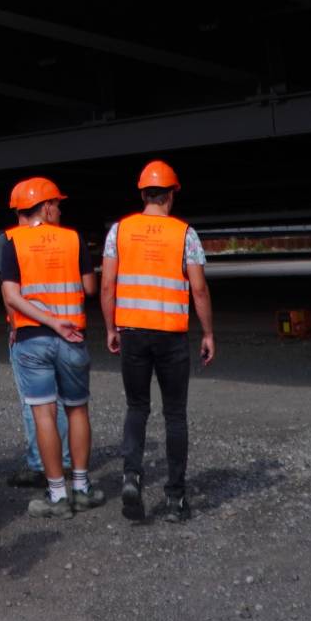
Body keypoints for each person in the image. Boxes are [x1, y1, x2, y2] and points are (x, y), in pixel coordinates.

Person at [100, 160, 214, 523]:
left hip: (132, 331)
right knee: (175, 414)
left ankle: (132, 476)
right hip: (171, 335)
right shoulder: (185, 234)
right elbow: (198, 288)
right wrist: (208, 332)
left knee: (137, 408)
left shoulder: (119, 230)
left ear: (143, 193)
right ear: (170, 194)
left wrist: (110, 328)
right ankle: (176, 498)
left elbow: (107, 286)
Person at [1, 177, 103, 519]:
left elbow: (12, 295)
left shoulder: (9, 241)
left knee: (44, 414)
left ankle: (57, 496)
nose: (59, 209)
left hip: (32, 339)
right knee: (77, 410)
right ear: (45, 206)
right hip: (72, 335)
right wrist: (60, 317)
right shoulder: (73, 239)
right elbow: (90, 287)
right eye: (57, 204)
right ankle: (82, 488)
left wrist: (45, 318)